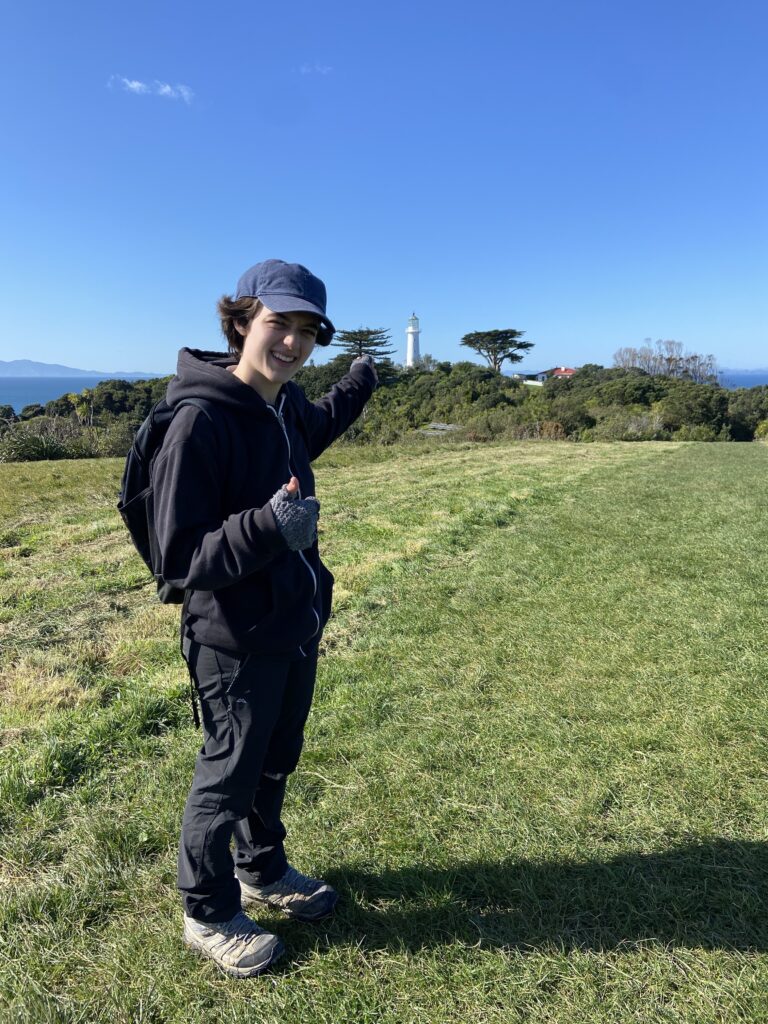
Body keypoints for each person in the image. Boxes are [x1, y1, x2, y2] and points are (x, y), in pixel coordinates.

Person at [151, 259, 377, 977]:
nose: (292, 342)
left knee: (275, 758)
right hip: (233, 637)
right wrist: (268, 527)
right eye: (280, 323)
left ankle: (262, 870)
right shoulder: (201, 419)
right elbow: (178, 558)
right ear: (243, 319)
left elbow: (318, 426)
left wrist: (361, 380)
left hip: (292, 623)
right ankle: (208, 912)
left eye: (307, 330)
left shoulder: (281, 408)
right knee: (228, 774)